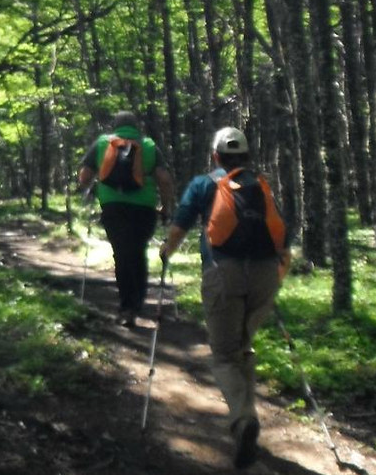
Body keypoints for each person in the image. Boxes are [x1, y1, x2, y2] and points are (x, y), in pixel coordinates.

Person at [158, 126, 291, 470]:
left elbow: (180, 226)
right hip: (265, 275)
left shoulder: (204, 184)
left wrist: (166, 252)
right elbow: (281, 235)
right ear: (246, 156)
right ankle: (246, 417)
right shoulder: (261, 185)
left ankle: (244, 419)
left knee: (223, 355)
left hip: (223, 273)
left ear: (216, 156)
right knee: (243, 346)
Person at [77, 111, 175, 328]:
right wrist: (166, 207)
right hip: (144, 208)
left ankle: (127, 307)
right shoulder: (148, 145)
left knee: (121, 254)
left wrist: (92, 188)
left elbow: (84, 176)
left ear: (115, 126)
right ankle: (137, 302)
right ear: (136, 126)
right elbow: (164, 179)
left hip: (113, 207)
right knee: (138, 252)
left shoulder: (103, 143)